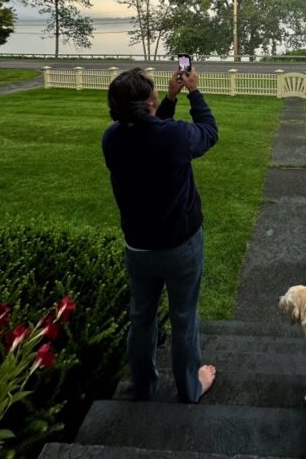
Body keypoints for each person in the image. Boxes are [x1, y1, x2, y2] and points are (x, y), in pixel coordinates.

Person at [102, 65, 218, 402]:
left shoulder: (112, 138)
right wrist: (193, 93)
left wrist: (168, 99)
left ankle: (143, 387)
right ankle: (190, 388)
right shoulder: (174, 138)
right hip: (180, 246)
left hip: (138, 248)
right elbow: (209, 132)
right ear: (149, 101)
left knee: (142, 317)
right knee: (183, 317)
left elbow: (150, 132)